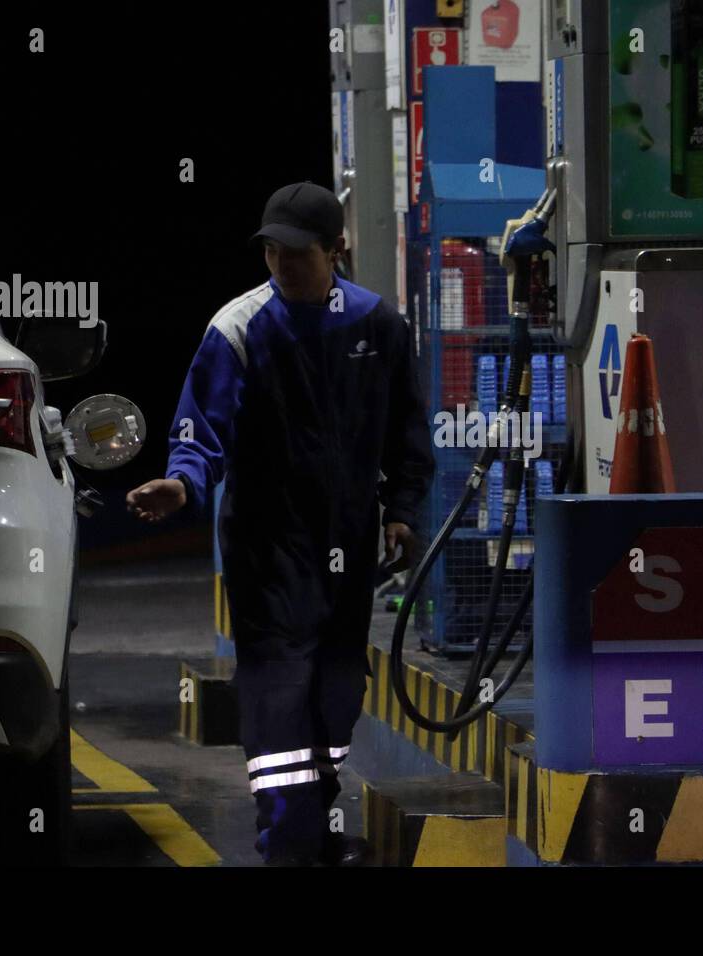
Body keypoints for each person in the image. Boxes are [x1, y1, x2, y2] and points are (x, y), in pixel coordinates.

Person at [126, 182, 435, 865]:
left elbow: (406, 435)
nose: (281, 264)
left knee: (336, 691)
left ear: (336, 250)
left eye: (296, 253)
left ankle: (314, 831)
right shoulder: (237, 329)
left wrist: (404, 513)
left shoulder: (378, 327)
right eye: (272, 251)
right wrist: (182, 482)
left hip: (347, 544)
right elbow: (201, 426)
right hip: (267, 549)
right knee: (277, 691)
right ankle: (288, 845)